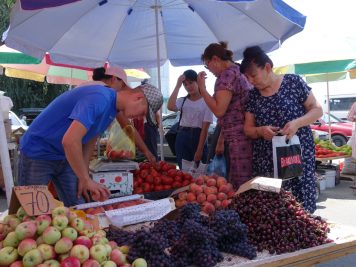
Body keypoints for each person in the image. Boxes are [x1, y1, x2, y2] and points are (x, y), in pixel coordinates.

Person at [18, 66, 162, 207]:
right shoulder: (99, 98)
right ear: (138, 97)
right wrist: (85, 178)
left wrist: (84, 174)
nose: (141, 117)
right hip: (38, 153)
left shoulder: (112, 108)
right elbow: (70, 141)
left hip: (66, 156)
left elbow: (90, 138)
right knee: (32, 211)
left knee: (80, 206)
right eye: (143, 113)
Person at [240, 45, 323, 213]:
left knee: (302, 210)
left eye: (253, 75)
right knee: (274, 213)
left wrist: (297, 123)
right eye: (247, 77)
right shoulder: (253, 96)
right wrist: (260, 131)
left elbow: (317, 110)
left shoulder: (294, 82)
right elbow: (248, 129)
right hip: (267, 162)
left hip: (297, 158)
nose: (250, 81)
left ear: (268, 67)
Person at [197, 42, 253, 188]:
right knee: (247, 179)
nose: (209, 70)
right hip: (247, 133)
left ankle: (241, 209)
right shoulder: (239, 70)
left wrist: (202, 89)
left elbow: (219, 110)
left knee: (240, 182)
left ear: (215, 59)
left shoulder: (226, 75)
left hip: (237, 137)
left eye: (207, 65)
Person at [91, 67, 163, 164]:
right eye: (123, 86)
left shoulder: (111, 99)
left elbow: (128, 126)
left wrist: (146, 151)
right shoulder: (101, 94)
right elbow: (72, 139)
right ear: (114, 79)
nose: (125, 91)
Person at [167, 69, 213, 169]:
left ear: (197, 82)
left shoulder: (206, 101)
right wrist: (178, 85)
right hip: (182, 136)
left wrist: (200, 149)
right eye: (185, 84)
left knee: (200, 171)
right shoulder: (182, 100)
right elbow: (170, 106)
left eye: (191, 83)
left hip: (198, 136)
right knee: (183, 172)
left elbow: (205, 129)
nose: (188, 87)